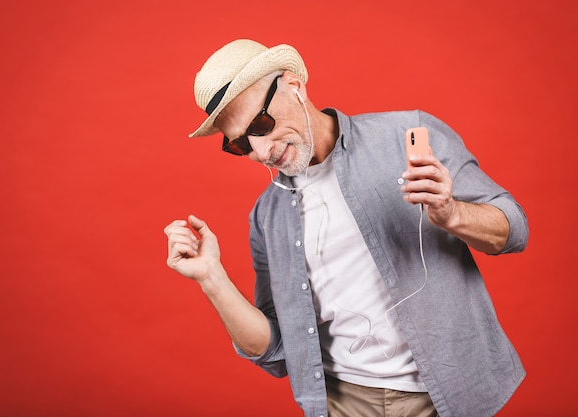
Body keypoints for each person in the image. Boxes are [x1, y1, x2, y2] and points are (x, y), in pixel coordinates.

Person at [164, 39, 529, 417]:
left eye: (260, 124)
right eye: (240, 144)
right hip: (342, 404)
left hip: (448, 394)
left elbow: (514, 228)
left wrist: (452, 214)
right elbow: (276, 351)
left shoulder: (405, 135)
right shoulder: (266, 216)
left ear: (293, 86)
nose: (260, 150)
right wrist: (212, 278)